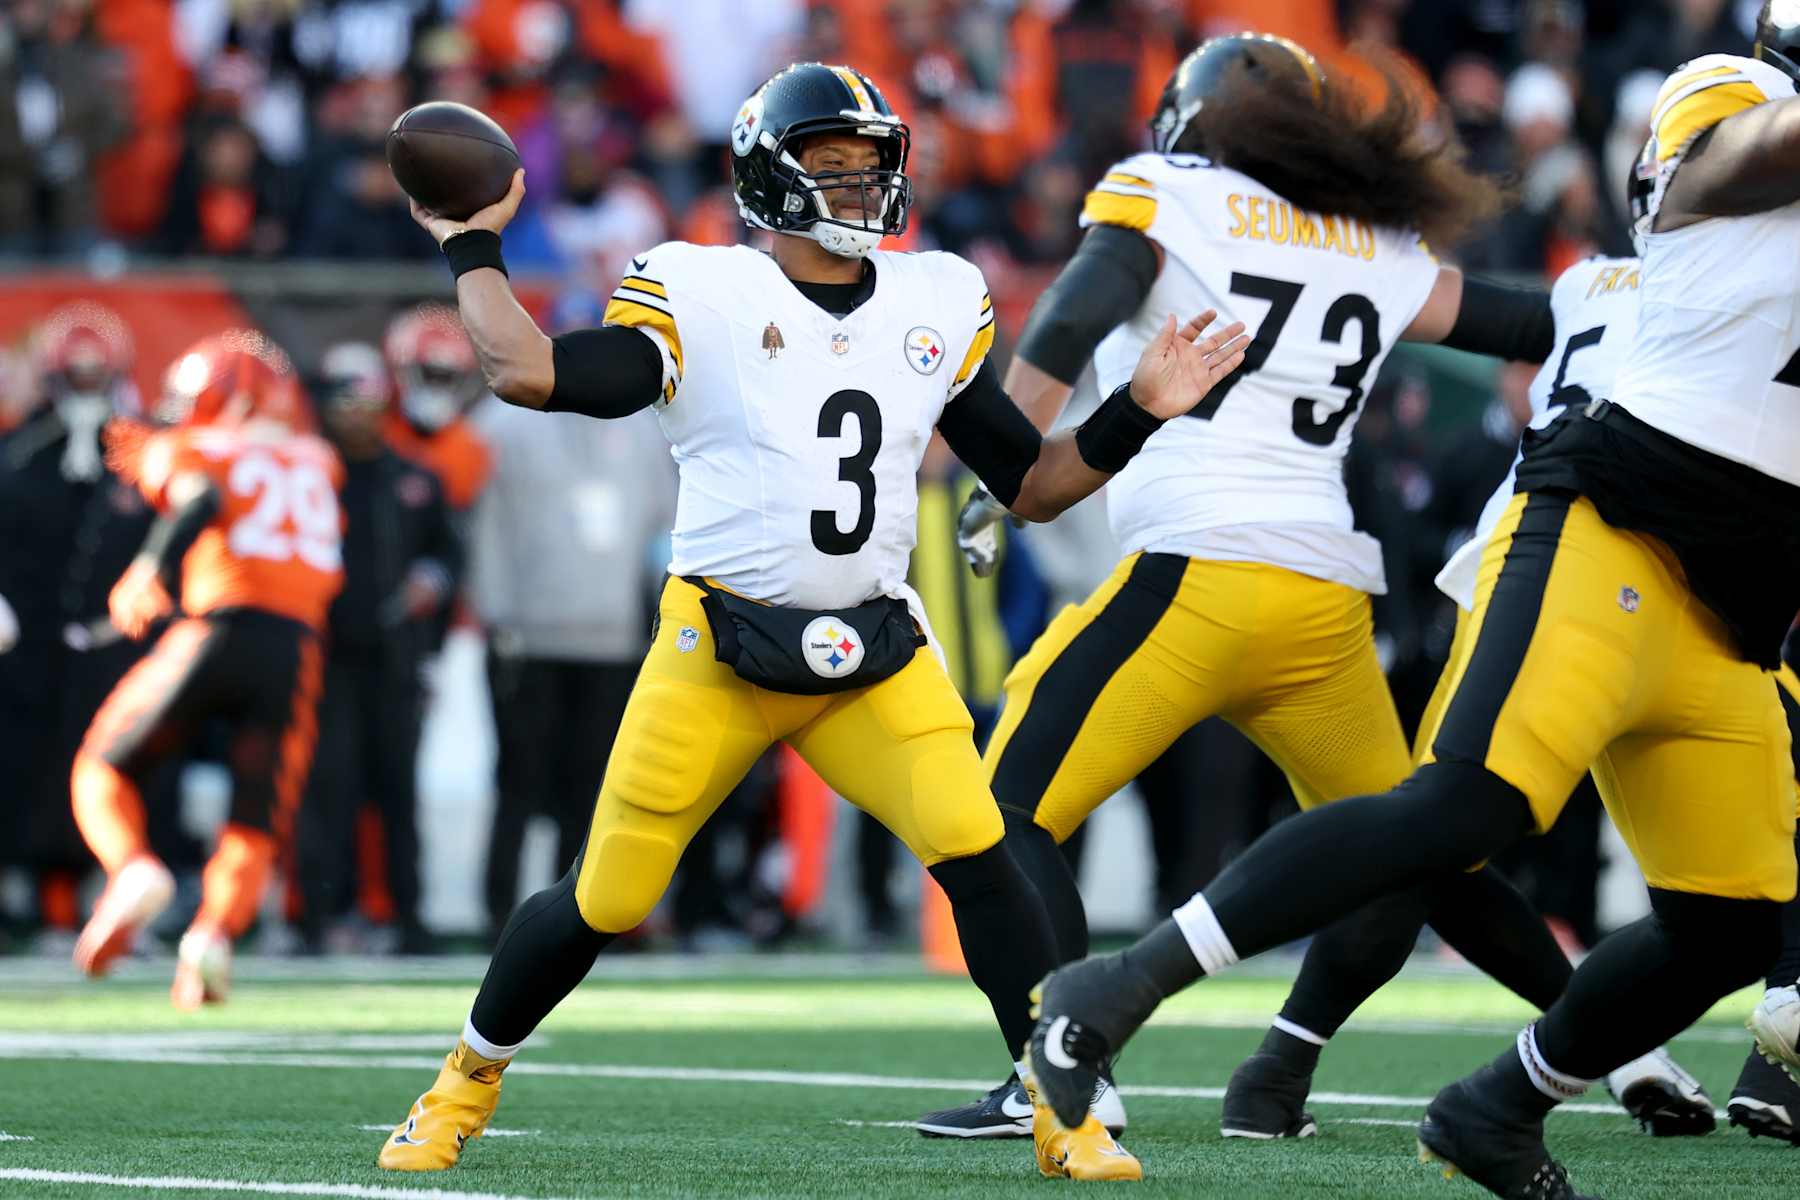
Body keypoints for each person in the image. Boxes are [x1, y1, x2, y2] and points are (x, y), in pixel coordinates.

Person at [373, 61, 1248, 1182]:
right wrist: (471, 245)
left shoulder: (936, 298)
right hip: (719, 646)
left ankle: (1060, 1103)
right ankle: (461, 1084)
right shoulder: (702, 289)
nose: (859, 185)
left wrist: (1136, 411)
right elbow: (530, 370)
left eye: (870, 163)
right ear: (768, 180)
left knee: (982, 853)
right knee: (607, 895)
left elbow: (1030, 485)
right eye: (830, 164)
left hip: (872, 646)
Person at [1026, 14, 1800, 1197]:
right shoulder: (1725, 102)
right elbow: (1721, 166)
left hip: (1734, 601)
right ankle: (1117, 987)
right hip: (1612, 527)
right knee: (1457, 811)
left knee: (1733, 921)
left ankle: (1499, 1109)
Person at [928, 32, 1647, 1147]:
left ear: (1191, 126)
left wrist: (1010, 451)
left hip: (1198, 574)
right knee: (1421, 847)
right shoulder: (1365, 237)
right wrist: (1660, 299)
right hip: (1323, 602)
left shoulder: (1169, 194)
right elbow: (1523, 320)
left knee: (1000, 809)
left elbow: (1075, 311)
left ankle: (1061, 1067)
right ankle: (1623, 1047)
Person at [69, 330, 344, 1009]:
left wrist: (149, 567)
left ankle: (133, 871)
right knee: (255, 816)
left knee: (101, 768)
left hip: (215, 628)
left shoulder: (196, 447)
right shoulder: (317, 457)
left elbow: (199, 499)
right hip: (295, 648)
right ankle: (213, 937)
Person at [468, 318, 676, 941]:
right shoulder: (502, 421)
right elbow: (480, 525)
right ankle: (498, 914)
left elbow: (665, 530)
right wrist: (496, 612)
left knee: (591, 789)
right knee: (518, 782)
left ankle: (571, 917)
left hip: (612, 636)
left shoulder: (644, 427)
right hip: (526, 634)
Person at [295, 342, 462, 955]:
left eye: (365, 399)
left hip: (395, 657)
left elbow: (449, 555)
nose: (356, 413)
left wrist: (431, 583)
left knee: (398, 791)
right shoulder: (307, 476)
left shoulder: (414, 477)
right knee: (329, 791)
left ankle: (407, 918)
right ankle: (321, 917)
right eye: (345, 400)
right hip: (327, 657)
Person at [381, 305, 493, 513]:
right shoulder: (378, 434)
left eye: (446, 378)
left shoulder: (469, 446)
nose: (436, 388)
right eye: (428, 374)